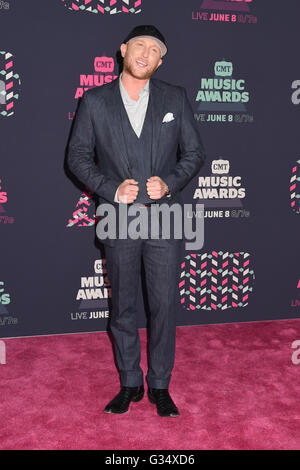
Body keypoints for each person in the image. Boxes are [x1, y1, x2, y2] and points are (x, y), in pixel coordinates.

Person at [68, 25, 205, 417]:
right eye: (140, 46)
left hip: (164, 221)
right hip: (118, 219)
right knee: (124, 307)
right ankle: (130, 382)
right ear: (124, 49)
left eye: (155, 51)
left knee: (164, 306)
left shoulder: (174, 98)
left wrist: (171, 182)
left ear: (161, 61)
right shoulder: (94, 101)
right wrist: (110, 189)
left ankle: (160, 385)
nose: (146, 54)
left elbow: (194, 153)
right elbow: (77, 157)